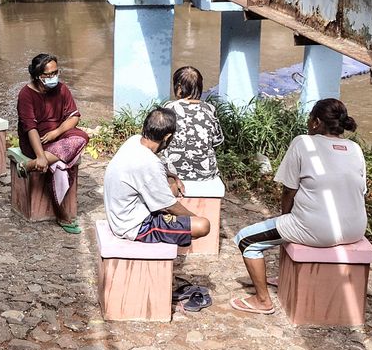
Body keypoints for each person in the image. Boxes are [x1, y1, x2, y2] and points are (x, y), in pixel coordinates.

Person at [230, 98, 367, 315]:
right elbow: (360, 191)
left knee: (246, 240)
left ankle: (262, 300)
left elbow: (288, 191)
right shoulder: (355, 149)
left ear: (316, 122)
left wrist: (286, 218)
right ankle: (288, 277)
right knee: (290, 226)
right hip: (355, 230)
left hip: (318, 230)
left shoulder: (304, 143)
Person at [103, 107, 211, 245]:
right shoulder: (150, 163)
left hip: (121, 214)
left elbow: (147, 171)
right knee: (202, 225)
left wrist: (173, 176)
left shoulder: (134, 141)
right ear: (167, 137)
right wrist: (193, 218)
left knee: (171, 184)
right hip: (136, 226)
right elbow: (169, 206)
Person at [16, 53, 90, 234]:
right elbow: (30, 128)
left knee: (82, 137)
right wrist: (40, 156)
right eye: (48, 75)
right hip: (35, 142)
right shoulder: (26, 95)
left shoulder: (62, 89)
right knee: (58, 165)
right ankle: (61, 213)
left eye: (55, 73)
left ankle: (29, 166)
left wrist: (56, 132)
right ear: (37, 76)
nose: (53, 78)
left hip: (56, 137)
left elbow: (74, 117)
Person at [161, 66, 224, 182]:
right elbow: (217, 141)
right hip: (206, 173)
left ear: (179, 88)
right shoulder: (210, 108)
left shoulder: (169, 107)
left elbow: (160, 140)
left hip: (171, 173)